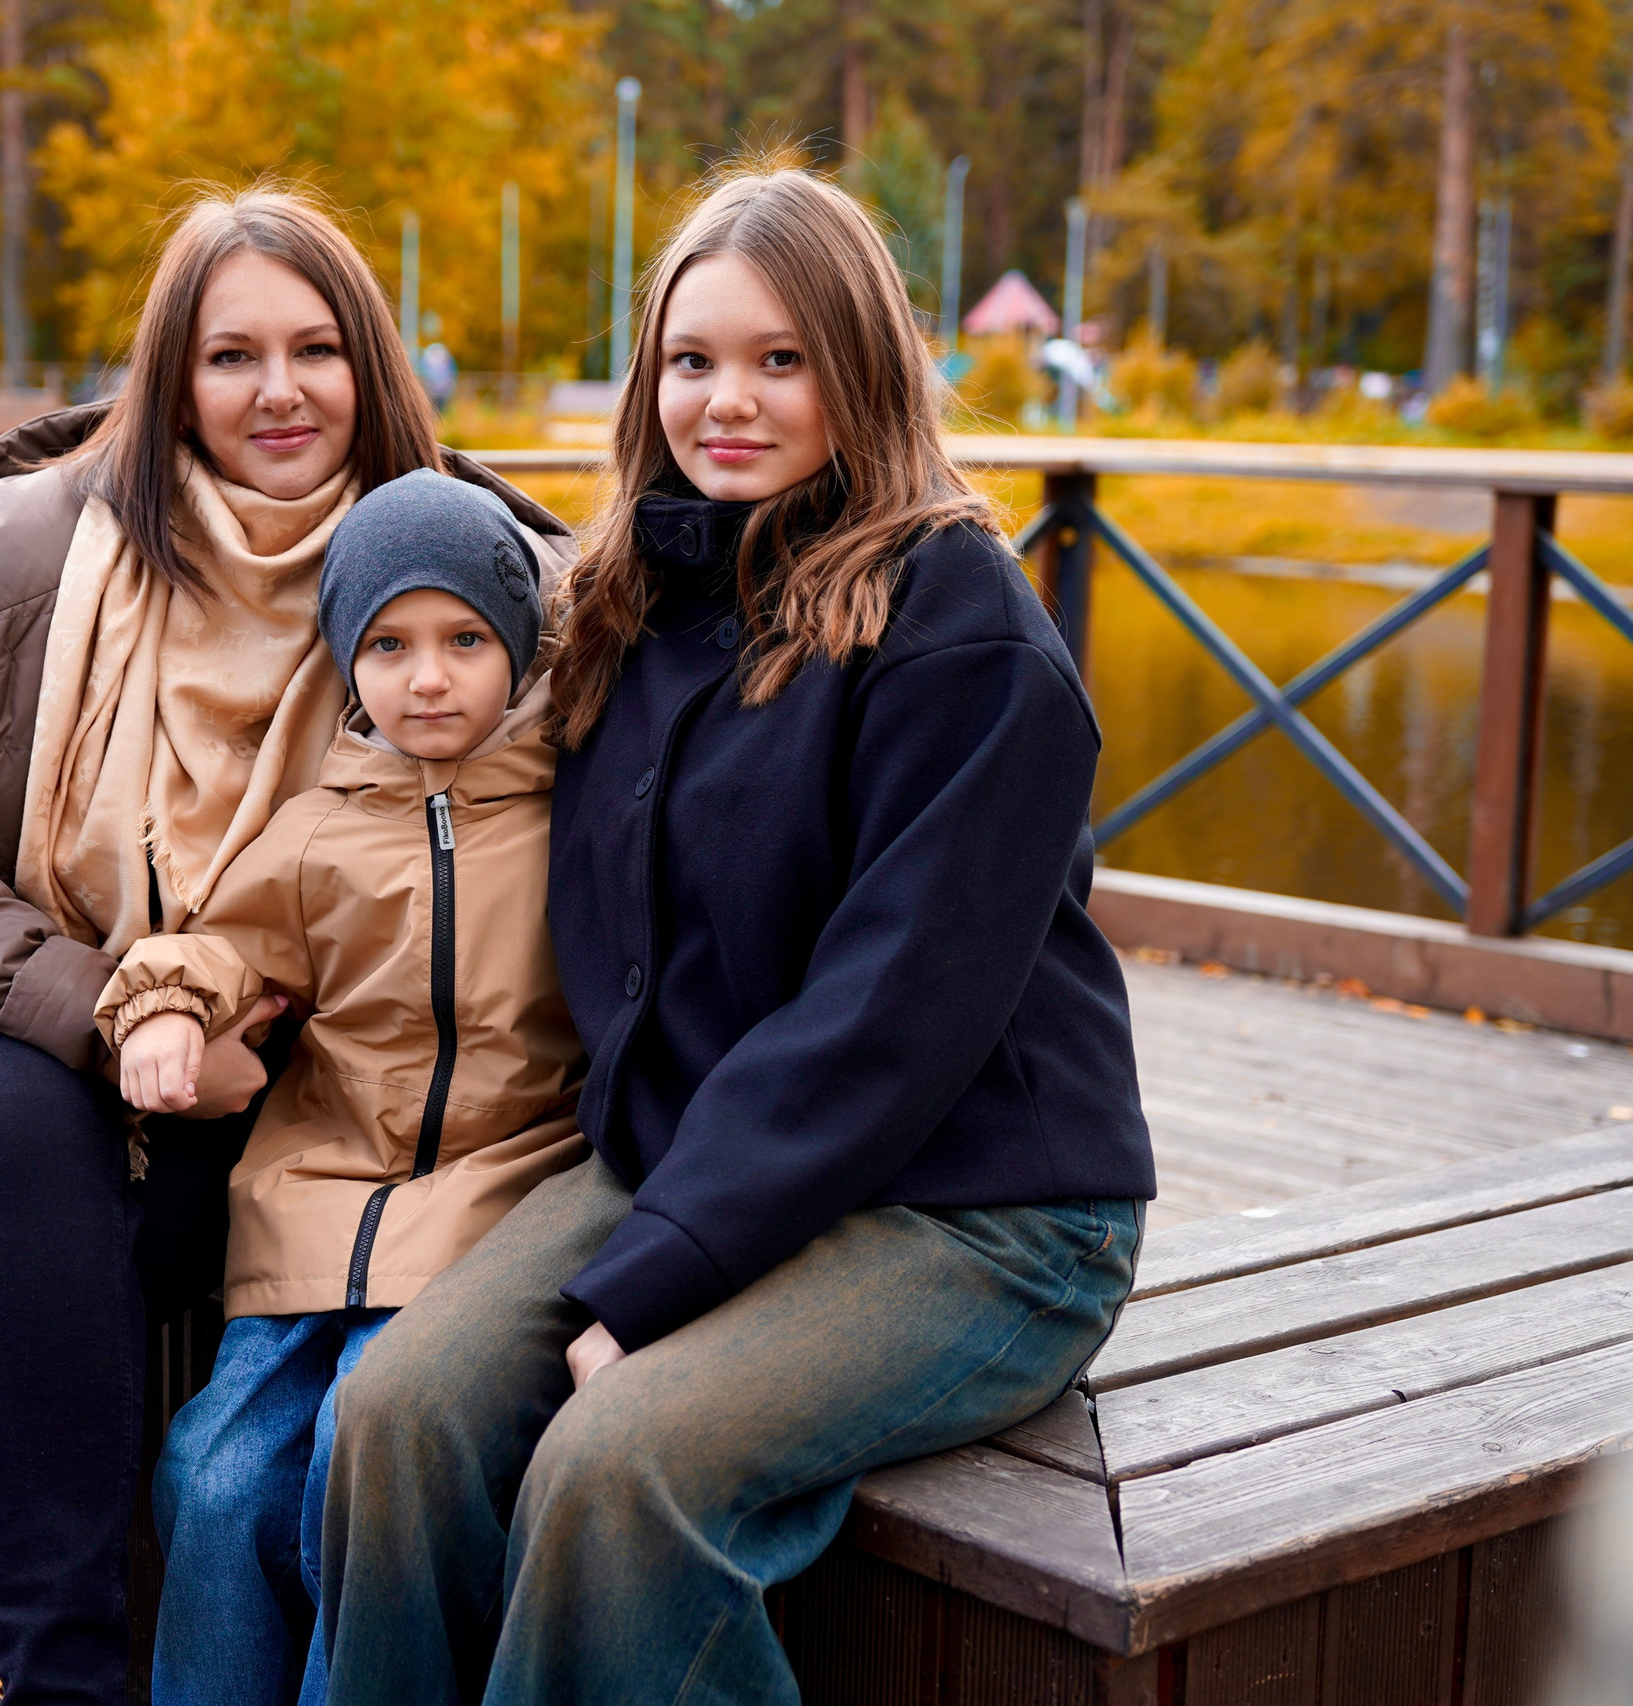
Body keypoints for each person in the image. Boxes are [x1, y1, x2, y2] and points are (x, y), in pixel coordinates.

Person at [314, 164, 1158, 1704]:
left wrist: (658, 1277)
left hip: (983, 1208)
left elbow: (890, 1018)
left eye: (783, 360)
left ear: (865, 367)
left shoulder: (965, 631)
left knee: (616, 1467)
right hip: (701, 1153)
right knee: (395, 1416)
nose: (731, 402)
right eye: (693, 361)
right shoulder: (639, 599)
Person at [0, 188, 576, 1706]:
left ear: (373, 369)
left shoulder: (469, 582)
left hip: (243, 1042)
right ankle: (68, 1677)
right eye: (230, 355)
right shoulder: (49, 562)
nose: (278, 390)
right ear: (170, 383)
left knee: (13, 1248)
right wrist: (107, 1014)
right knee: (14, 1140)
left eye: (317, 349)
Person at [97, 470, 587, 1706]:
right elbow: (220, 943)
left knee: (349, 1463)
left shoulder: (572, 811)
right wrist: (162, 1003)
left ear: (518, 645)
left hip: (486, 1204)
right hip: (310, 1206)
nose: (428, 677)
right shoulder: (320, 827)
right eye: (388, 644)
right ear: (345, 660)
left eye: (465, 639)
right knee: (213, 1471)